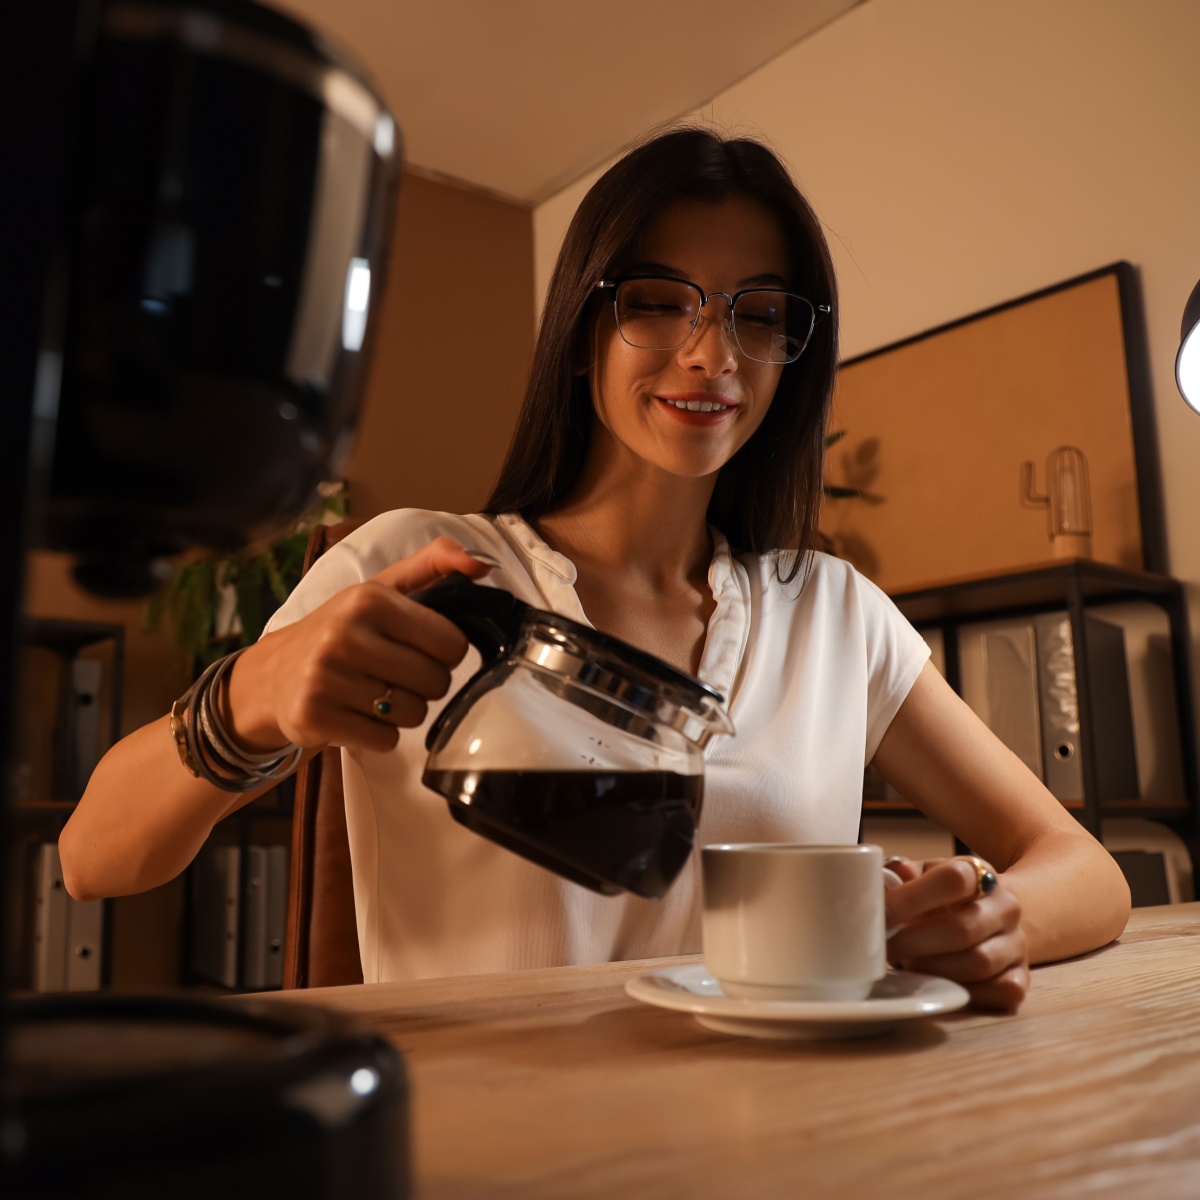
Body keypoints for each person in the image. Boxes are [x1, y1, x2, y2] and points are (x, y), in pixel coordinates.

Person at [60, 127, 1130, 1010]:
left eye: (758, 314)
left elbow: (1086, 870)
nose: (713, 355)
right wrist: (252, 696)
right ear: (581, 331)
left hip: (774, 1148)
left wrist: (987, 914)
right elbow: (93, 860)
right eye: (661, 301)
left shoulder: (834, 613)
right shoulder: (416, 565)